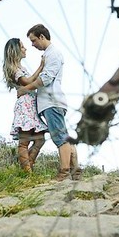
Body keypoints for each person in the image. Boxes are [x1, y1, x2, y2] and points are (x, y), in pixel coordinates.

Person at [24, 24, 79, 180]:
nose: (32, 45)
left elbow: (46, 79)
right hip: (51, 102)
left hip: (51, 101)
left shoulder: (53, 54)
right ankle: (75, 171)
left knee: (59, 137)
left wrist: (27, 88)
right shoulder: (49, 54)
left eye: (33, 40)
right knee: (64, 136)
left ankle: (64, 172)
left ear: (42, 37)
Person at [1, 37, 47, 173]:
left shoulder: (22, 67)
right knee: (24, 142)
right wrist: (41, 66)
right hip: (25, 105)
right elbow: (27, 82)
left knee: (40, 139)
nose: (25, 48)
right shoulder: (13, 68)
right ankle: (27, 171)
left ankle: (28, 166)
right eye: (22, 47)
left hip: (32, 105)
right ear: (15, 50)